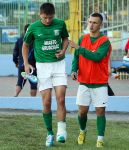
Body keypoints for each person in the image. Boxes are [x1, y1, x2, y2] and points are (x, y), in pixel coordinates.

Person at [22, 2, 69, 147]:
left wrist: (63, 50)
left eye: (50, 17)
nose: (47, 20)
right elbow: (25, 45)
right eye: (44, 18)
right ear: (40, 15)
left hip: (59, 65)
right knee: (47, 102)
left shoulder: (60, 24)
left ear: (54, 15)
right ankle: (49, 133)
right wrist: (26, 63)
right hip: (42, 67)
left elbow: (66, 39)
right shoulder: (33, 27)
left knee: (60, 99)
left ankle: (62, 130)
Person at [70, 13, 112, 148]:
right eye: (90, 22)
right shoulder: (83, 38)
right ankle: (82, 131)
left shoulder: (105, 41)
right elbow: (76, 56)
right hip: (84, 82)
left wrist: (79, 48)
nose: (91, 25)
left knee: (100, 111)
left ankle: (100, 139)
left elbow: (97, 57)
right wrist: (73, 70)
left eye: (95, 23)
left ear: (101, 25)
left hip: (100, 82)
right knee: (82, 112)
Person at [13, 24, 37, 97]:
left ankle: (15, 95)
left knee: (20, 82)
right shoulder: (34, 40)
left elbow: (15, 52)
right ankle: (33, 100)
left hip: (21, 65)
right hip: (31, 66)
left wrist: (16, 62)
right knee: (33, 84)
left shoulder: (19, 40)